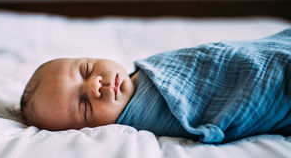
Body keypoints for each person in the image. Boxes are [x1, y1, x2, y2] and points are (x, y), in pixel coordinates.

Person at [20, 28, 291, 143]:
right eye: (84, 105)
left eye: (87, 70)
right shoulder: (145, 117)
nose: (95, 86)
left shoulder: (144, 71)